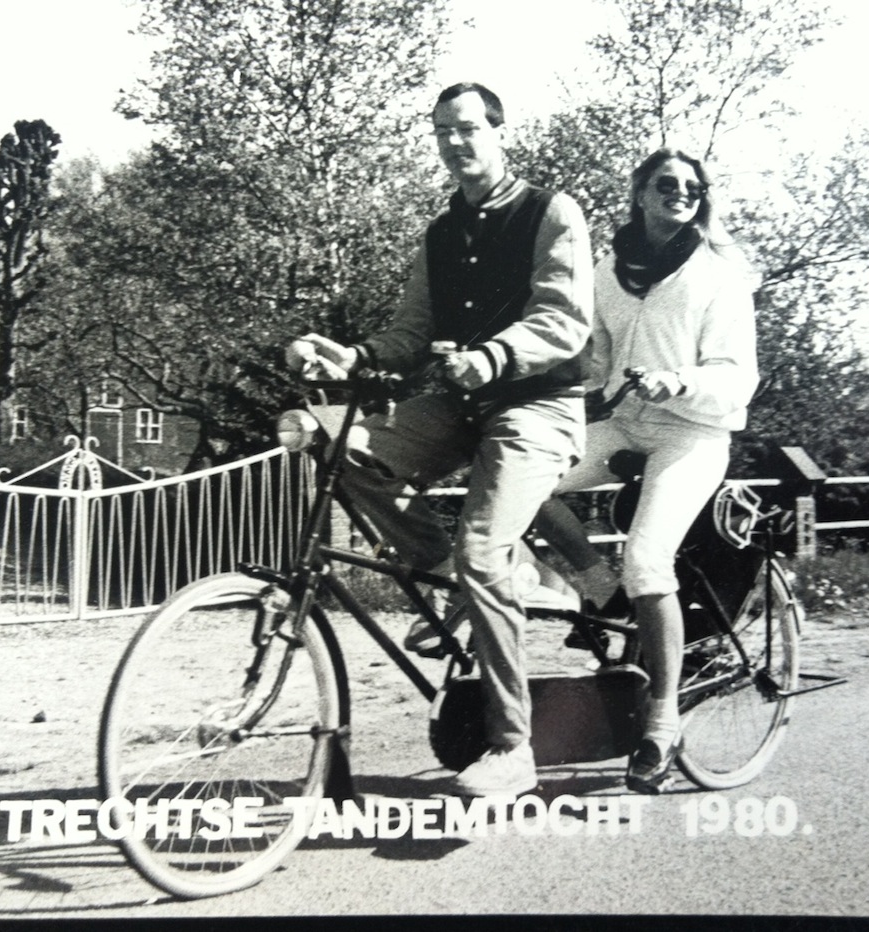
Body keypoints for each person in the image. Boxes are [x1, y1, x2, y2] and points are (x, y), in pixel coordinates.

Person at [286, 83, 593, 797]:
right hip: (458, 404)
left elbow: (563, 320)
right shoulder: (440, 232)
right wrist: (351, 357)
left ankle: (512, 748)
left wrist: (492, 356)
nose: (455, 143)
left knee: (484, 548)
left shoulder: (551, 212)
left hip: (538, 406)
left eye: (467, 129)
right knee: (336, 445)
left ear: (498, 129)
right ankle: (450, 573)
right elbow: (411, 332)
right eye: (442, 133)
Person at [534, 147, 758, 793]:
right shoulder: (609, 269)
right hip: (626, 422)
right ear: (640, 193)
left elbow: (737, 379)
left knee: (647, 564)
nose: (678, 194)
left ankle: (660, 723)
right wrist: (568, 385)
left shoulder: (719, 272)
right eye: (665, 184)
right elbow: (597, 361)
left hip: (692, 432)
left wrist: (676, 382)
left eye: (690, 187)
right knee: (525, 484)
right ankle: (601, 593)